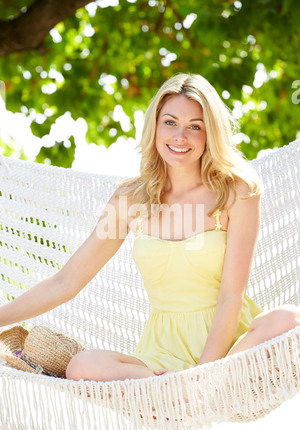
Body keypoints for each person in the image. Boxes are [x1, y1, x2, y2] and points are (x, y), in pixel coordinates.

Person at [0, 73, 299, 382]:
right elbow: (66, 282)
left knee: (288, 319)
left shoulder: (237, 192)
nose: (180, 136)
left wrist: (203, 374)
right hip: (159, 360)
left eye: (195, 126)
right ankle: (175, 394)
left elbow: (231, 296)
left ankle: (192, 392)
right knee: (83, 365)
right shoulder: (129, 201)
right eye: (170, 122)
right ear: (154, 127)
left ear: (210, 134)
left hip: (229, 353)